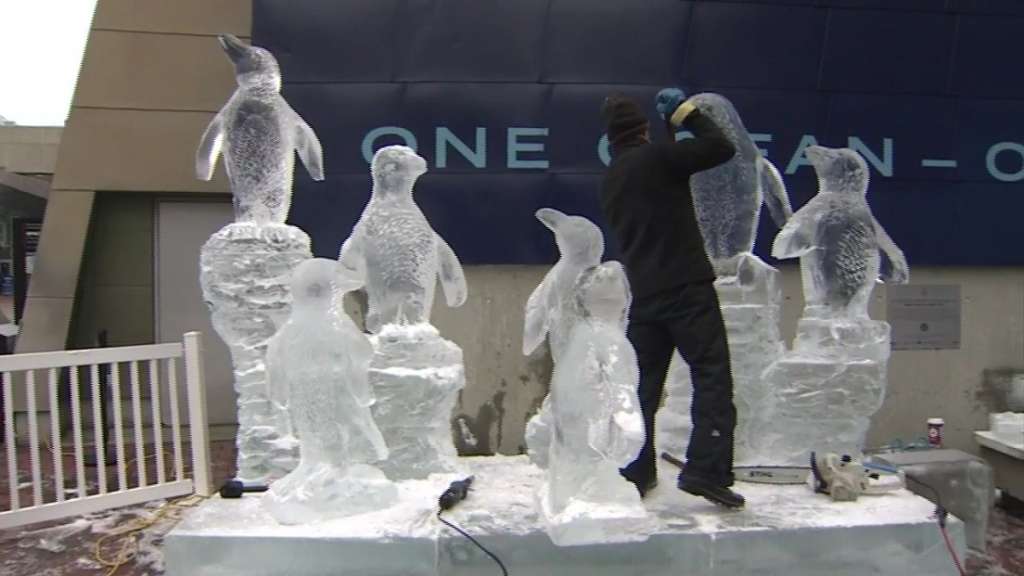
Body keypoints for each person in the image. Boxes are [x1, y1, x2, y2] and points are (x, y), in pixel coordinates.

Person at [598, 88, 744, 508]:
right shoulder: (660, 160)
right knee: (711, 374)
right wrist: (684, 114)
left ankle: (636, 470)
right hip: (687, 289)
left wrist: (666, 138)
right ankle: (706, 471)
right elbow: (720, 147)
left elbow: (656, 189)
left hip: (645, 297)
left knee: (642, 388)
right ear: (643, 128)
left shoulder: (612, 180)